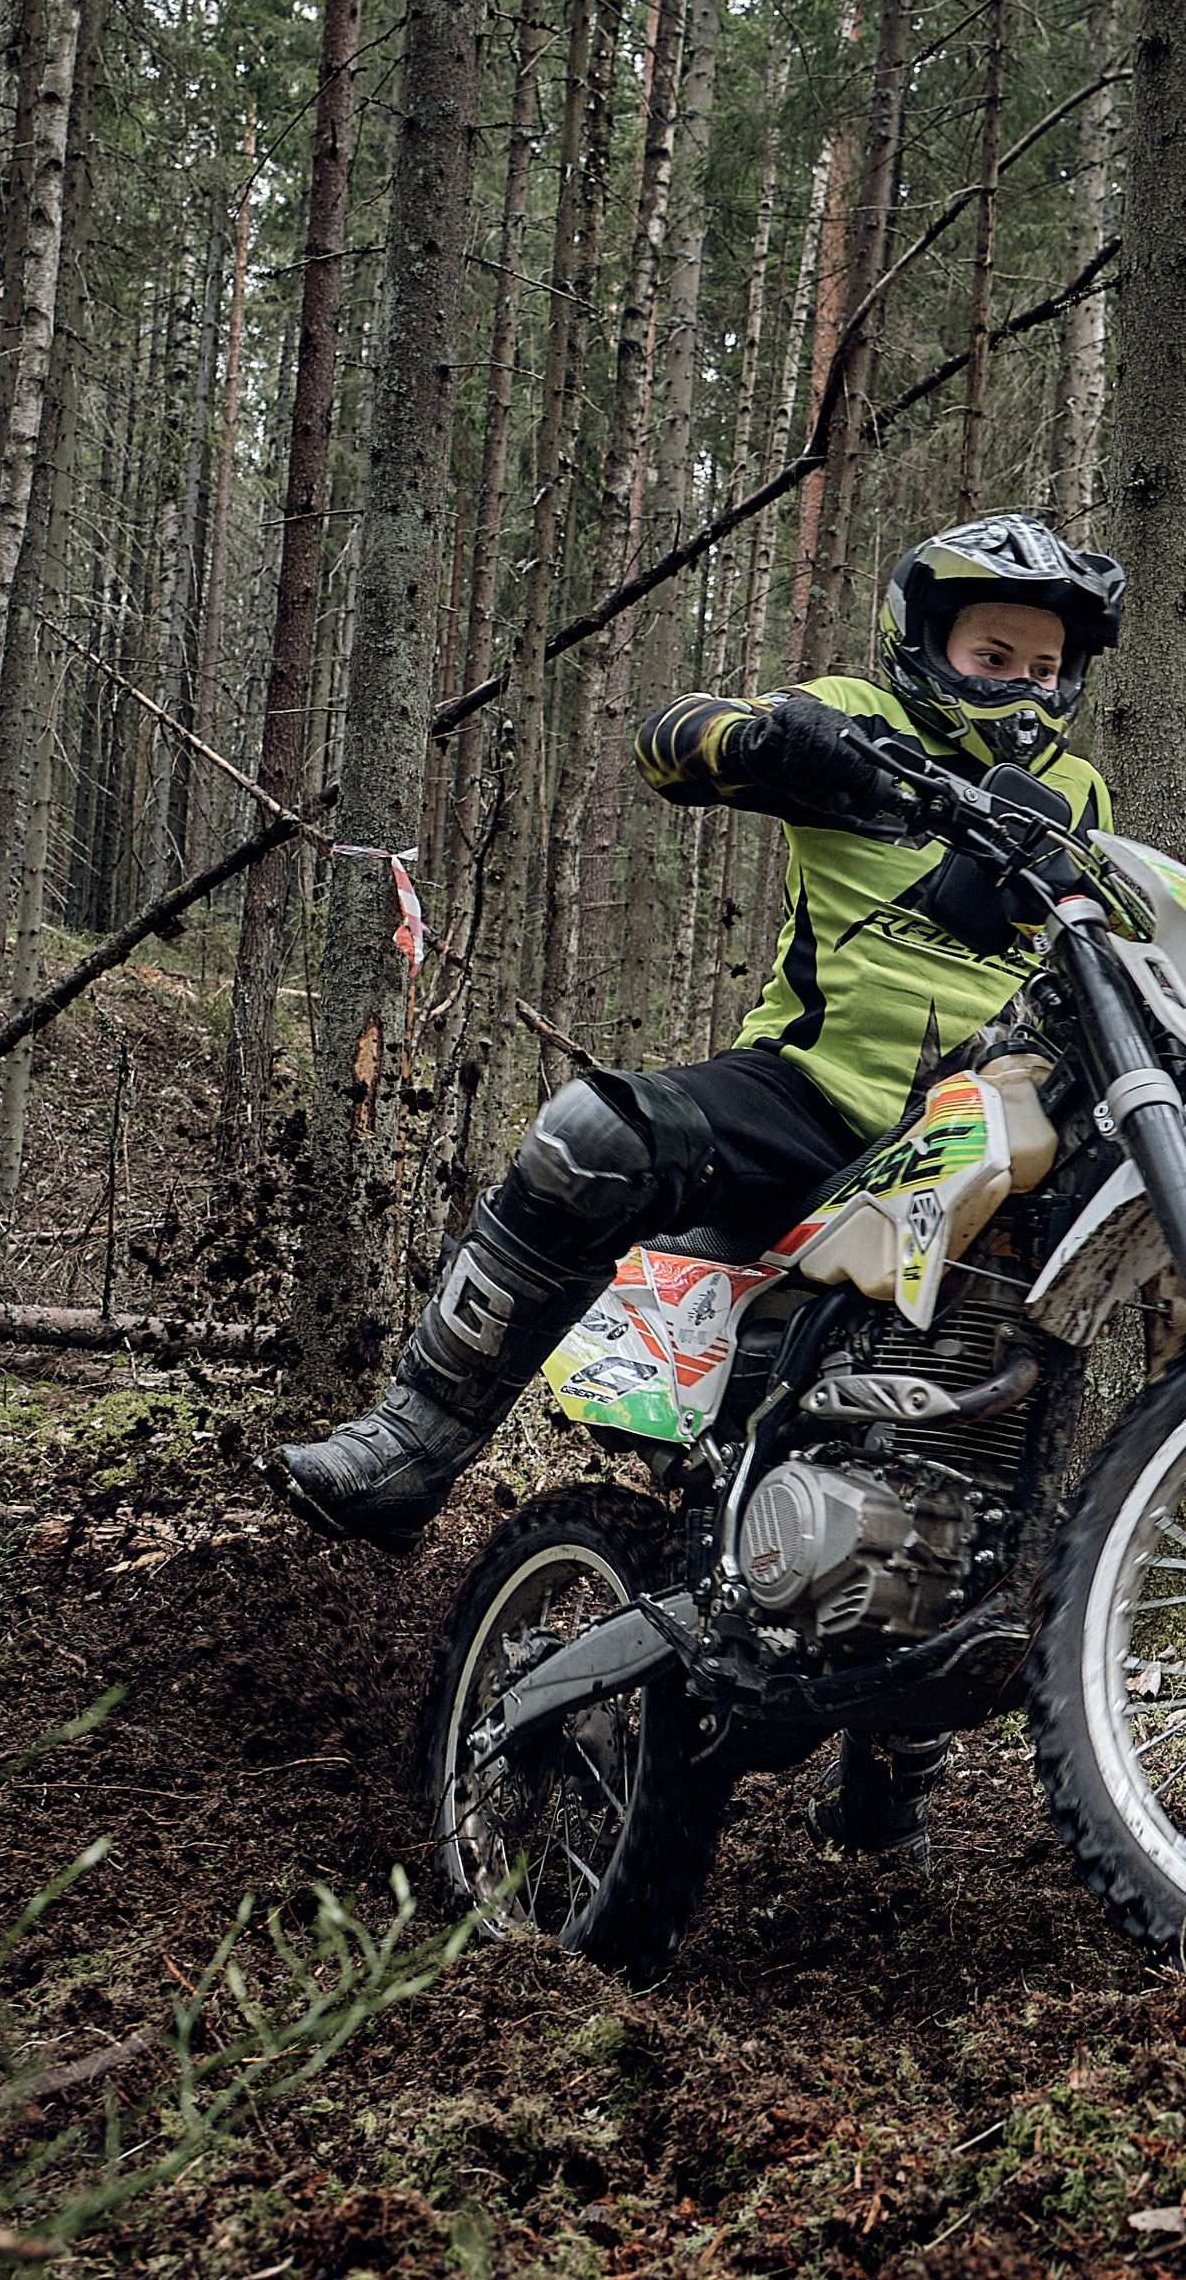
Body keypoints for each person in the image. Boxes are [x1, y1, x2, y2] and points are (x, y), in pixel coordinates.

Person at [277, 511, 1122, 1844]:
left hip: (970, 1129)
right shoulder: (851, 713)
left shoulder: (1074, 798)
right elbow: (675, 740)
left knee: (979, 1415)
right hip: (806, 1098)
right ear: (927, 649)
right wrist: (773, 740)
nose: (1017, 681)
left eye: (1040, 665)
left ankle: (901, 1738)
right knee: (589, 1136)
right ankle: (414, 1438)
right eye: (991, 650)